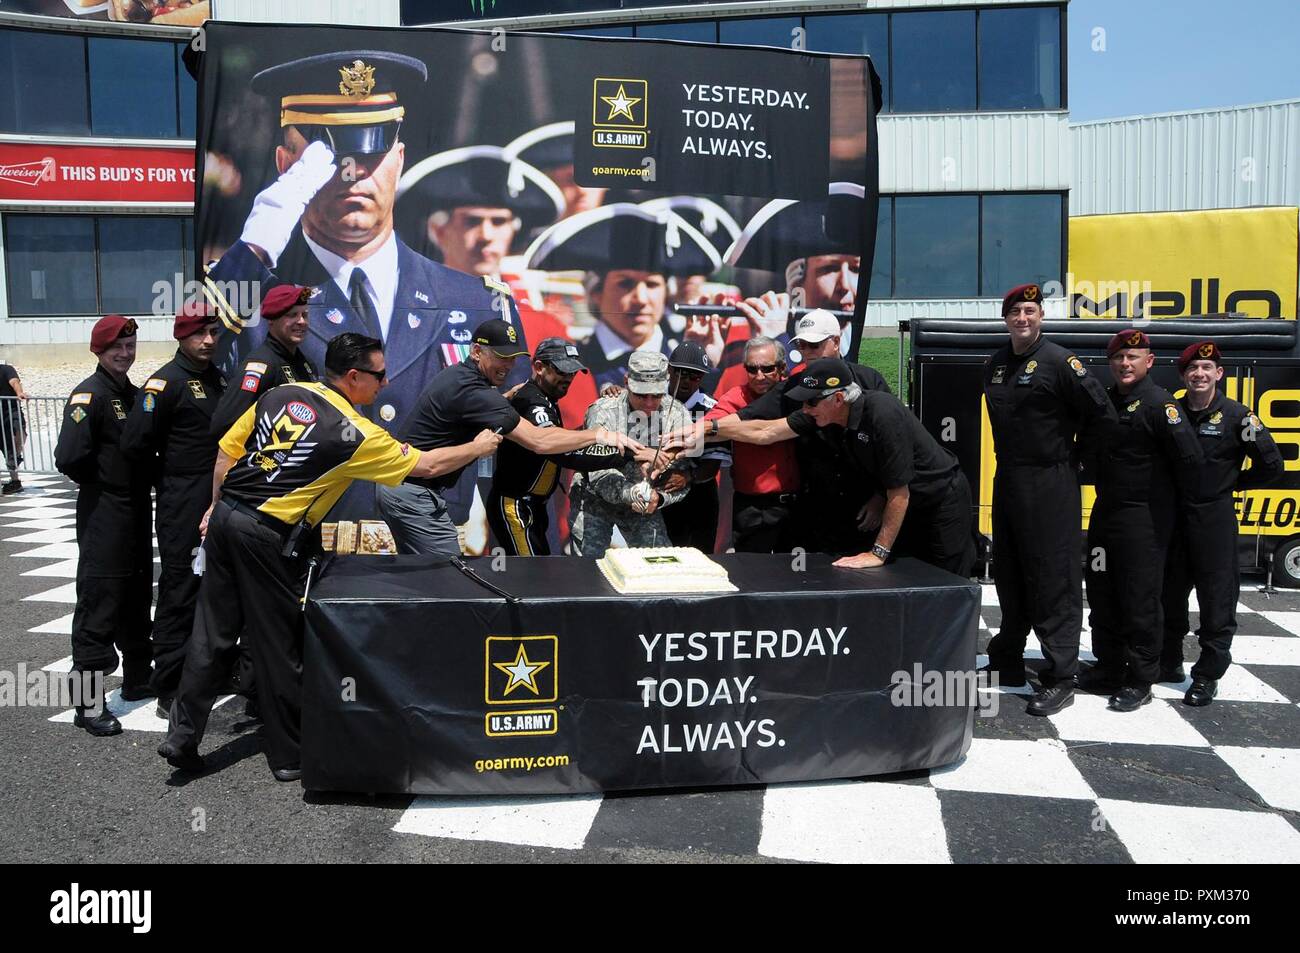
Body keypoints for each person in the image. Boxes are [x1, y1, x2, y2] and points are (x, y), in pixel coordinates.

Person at [159, 333, 504, 779]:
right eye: (379, 375)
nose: (385, 383)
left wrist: (214, 506)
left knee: (211, 634)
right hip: (265, 534)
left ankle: (181, 736)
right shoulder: (356, 433)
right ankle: (288, 756)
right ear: (354, 376)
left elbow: (227, 450)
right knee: (279, 644)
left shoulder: (283, 392)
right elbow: (429, 466)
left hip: (227, 517)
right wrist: (479, 447)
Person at [202, 51, 518, 464]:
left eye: (372, 152)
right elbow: (196, 347)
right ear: (286, 166)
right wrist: (255, 248)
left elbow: (510, 433)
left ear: (399, 160)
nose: (355, 172)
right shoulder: (248, 295)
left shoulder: (477, 300)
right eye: (330, 157)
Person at [679, 358, 975, 576]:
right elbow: (765, 431)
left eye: (810, 403)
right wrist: (705, 429)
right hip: (902, 506)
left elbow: (899, 492)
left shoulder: (882, 413)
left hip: (938, 501)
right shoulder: (820, 414)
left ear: (838, 398)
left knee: (946, 580)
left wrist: (877, 553)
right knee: (911, 580)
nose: (804, 409)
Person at [379, 319, 646, 556]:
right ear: (476, 352)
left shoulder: (466, 380)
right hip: (416, 492)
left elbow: (473, 411)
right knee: (451, 576)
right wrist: (600, 435)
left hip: (409, 488)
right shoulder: (478, 392)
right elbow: (541, 441)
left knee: (424, 577)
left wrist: (504, 399)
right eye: (501, 356)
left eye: (513, 357)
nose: (508, 365)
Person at [979, 283, 1115, 717]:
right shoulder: (996, 363)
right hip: (1009, 478)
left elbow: (1102, 414)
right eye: (1015, 312)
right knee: (1010, 571)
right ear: (1006, 319)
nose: (1022, 318)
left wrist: (1077, 461)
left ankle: (1061, 675)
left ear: (1041, 317)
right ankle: (1008, 659)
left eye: (1030, 311)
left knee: (1053, 578)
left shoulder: (1060, 361)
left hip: (1052, 479)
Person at [1078, 329, 1203, 713]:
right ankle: (1109, 666)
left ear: (1149, 362)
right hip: (1105, 513)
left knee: (1140, 600)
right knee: (1102, 592)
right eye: (1118, 357)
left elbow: (1191, 460)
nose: (1124, 363)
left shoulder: (1160, 404)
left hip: (1144, 520)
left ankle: (1140, 677)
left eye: (1132, 357)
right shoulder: (1105, 401)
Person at [1161, 340, 1283, 706]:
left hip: (1214, 520)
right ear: (1183, 375)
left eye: (1206, 368)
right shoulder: (1170, 412)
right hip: (1173, 519)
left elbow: (1271, 465)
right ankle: (1168, 662)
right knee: (1168, 595)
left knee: (1216, 600)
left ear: (1219, 373)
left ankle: (1207, 676)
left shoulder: (1238, 417)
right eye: (1192, 368)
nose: (1199, 374)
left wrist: (1232, 484)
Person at [523, 202, 722, 427]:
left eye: (652, 284)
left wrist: (700, 368)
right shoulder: (573, 365)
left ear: (666, 293)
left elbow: (703, 431)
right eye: (625, 283)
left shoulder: (680, 359)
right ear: (596, 292)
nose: (641, 299)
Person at [121, 302, 228, 718]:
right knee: (180, 590)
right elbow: (135, 444)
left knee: (213, 589)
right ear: (181, 336)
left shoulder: (218, 377)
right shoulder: (164, 384)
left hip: (218, 498)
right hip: (182, 501)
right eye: (199, 333)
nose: (208, 340)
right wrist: (169, 481)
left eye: (213, 333)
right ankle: (168, 684)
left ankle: (206, 671)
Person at [53, 315, 152, 736]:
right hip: (104, 511)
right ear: (99, 350)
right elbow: (68, 457)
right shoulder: (89, 395)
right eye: (117, 347)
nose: (125, 354)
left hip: (135, 510)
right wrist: (106, 480)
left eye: (130, 346)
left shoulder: (134, 394)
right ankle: (87, 704)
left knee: (135, 595)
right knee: (99, 602)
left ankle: (138, 677)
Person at [487, 338, 638, 555]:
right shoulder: (532, 401)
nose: (568, 378)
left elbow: (565, 440)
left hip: (533, 505)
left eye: (573, 372)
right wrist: (624, 454)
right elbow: (564, 454)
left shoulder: (546, 398)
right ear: (539, 367)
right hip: (516, 506)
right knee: (528, 572)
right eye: (562, 371)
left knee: (538, 570)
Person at [571, 351, 693, 558]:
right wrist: (631, 493)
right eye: (641, 395)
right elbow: (598, 471)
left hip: (645, 504)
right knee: (588, 565)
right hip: (594, 499)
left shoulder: (678, 415)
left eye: (656, 395)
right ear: (627, 382)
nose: (649, 403)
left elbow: (681, 477)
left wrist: (659, 498)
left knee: (659, 562)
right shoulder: (603, 410)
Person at [703, 336, 800, 552]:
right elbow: (708, 425)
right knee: (751, 569)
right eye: (752, 369)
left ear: (782, 367)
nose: (759, 376)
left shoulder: (797, 393)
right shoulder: (737, 396)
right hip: (754, 509)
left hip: (799, 506)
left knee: (799, 568)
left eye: (767, 368)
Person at [210, 283, 316, 444]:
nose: (301, 321)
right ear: (272, 320)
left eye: (305, 315)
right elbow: (224, 423)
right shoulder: (262, 365)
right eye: (292, 315)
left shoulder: (306, 365)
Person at [661, 342, 729, 552]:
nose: (687, 381)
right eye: (681, 373)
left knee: (698, 560)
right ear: (669, 370)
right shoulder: (651, 400)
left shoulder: (713, 410)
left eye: (695, 376)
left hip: (698, 495)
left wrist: (687, 477)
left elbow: (713, 465)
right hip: (657, 493)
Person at [0, 360, 29, 494]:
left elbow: (14, 382)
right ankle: (15, 481)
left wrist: (19, 393)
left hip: (11, 412)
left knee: (18, 434)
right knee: (8, 449)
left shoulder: (6, 369)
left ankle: (16, 458)